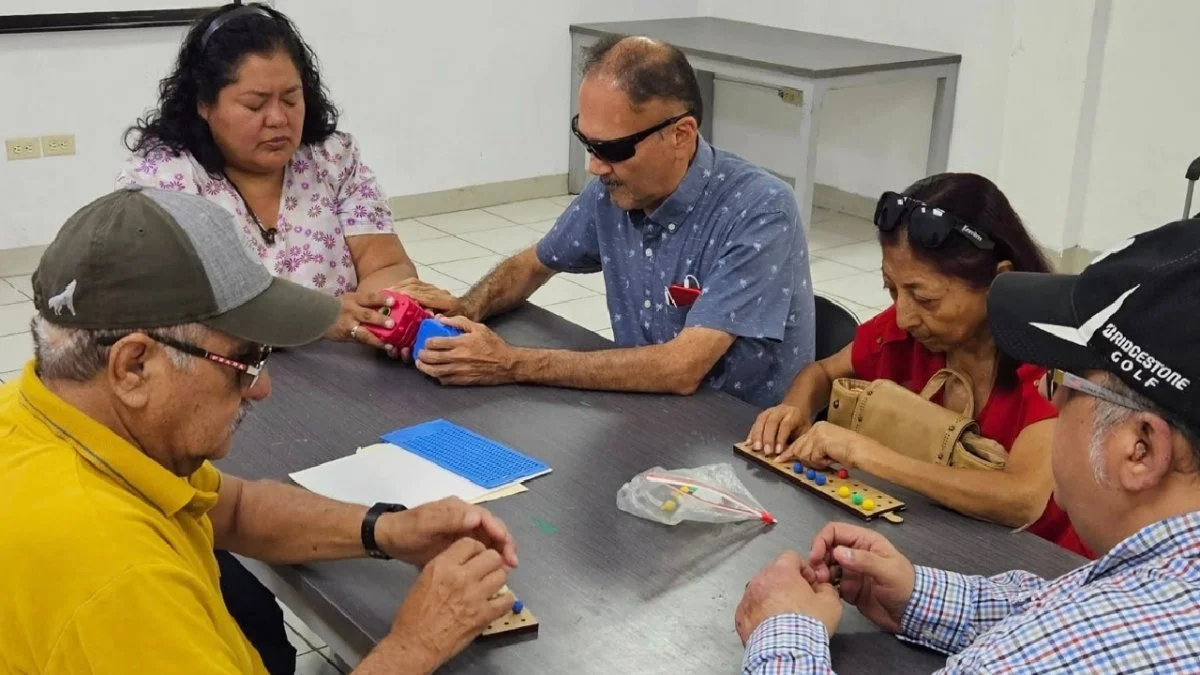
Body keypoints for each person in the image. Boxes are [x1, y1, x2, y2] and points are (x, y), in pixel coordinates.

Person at [0, 187, 519, 675]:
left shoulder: (43, 415)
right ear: (134, 367)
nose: (262, 387)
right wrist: (416, 644)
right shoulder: (117, 581)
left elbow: (233, 509)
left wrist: (389, 530)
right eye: (244, 359)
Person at [734, 219, 1200, 673]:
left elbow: (1060, 640)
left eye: (1066, 381)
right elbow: (1061, 596)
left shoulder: (1070, 649)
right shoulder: (1160, 578)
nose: (1046, 394)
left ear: (1141, 450)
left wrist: (783, 631)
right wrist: (919, 595)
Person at [398, 35, 814, 407]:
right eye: (586, 142)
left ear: (681, 135)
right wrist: (467, 310)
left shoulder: (759, 209)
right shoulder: (614, 187)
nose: (595, 167)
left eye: (612, 149)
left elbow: (681, 368)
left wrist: (511, 363)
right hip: (646, 413)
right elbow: (533, 264)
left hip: (740, 437)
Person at [746, 173, 1092, 557]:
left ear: (1001, 282)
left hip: (1035, 562)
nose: (905, 315)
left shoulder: (1049, 365)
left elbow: (1022, 499)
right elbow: (823, 373)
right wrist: (794, 408)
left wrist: (867, 454)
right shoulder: (904, 333)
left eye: (924, 299)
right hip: (934, 542)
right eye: (891, 289)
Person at [119, 3, 438, 357]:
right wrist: (315, 319)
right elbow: (169, 315)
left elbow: (387, 264)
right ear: (204, 105)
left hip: (343, 369)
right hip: (222, 375)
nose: (277, 119)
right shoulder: (164, 182)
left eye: (291, 99)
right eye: (255, 105)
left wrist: (381, 313)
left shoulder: (332, 159)